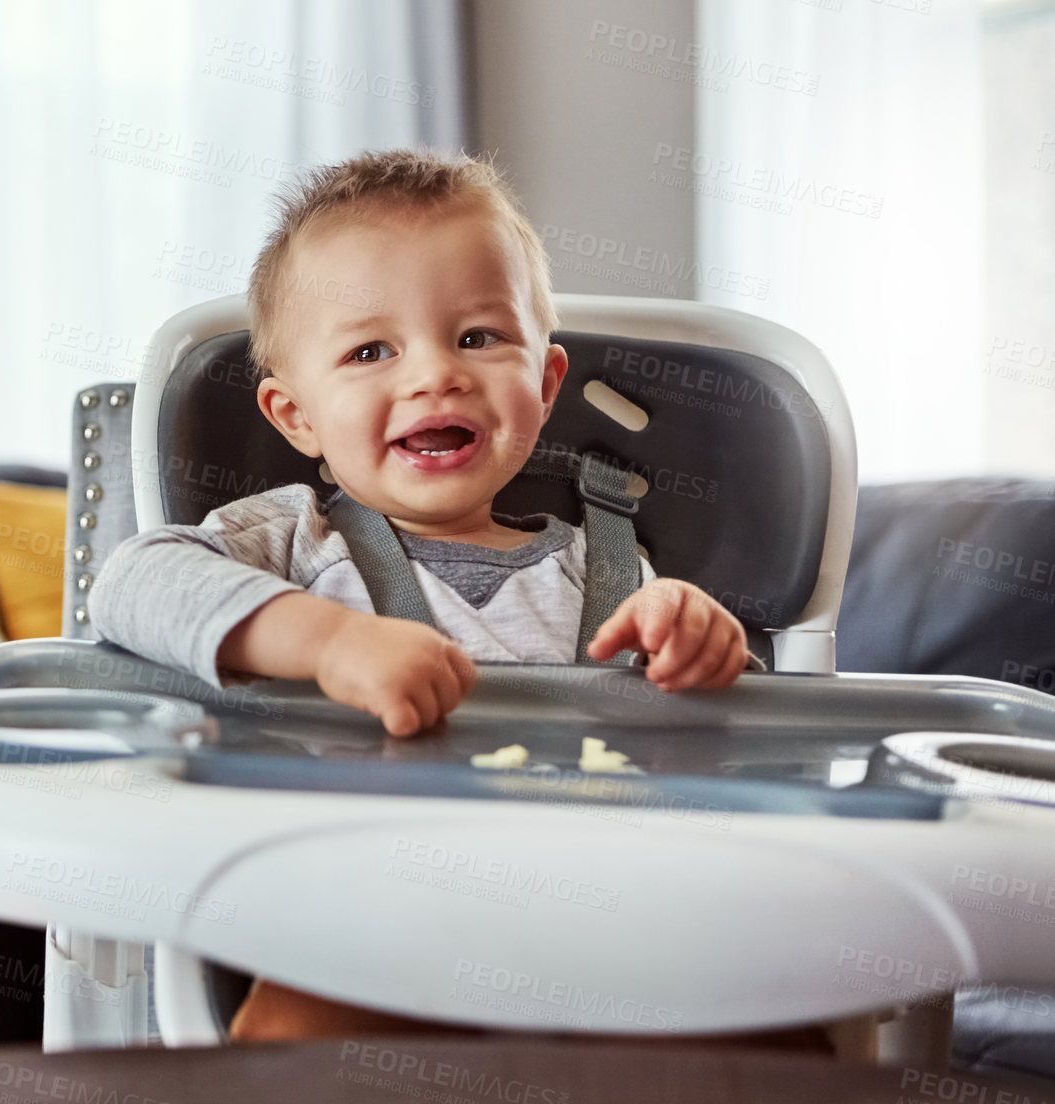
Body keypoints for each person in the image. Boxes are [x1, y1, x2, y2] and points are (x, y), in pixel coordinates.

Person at [86, 147, 827, 1048]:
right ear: (296, 417)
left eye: (478, 336)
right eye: (369, 351)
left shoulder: (614, 570)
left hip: (616, 929)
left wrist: (705, 649)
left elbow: (733, 743)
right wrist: (327, 644)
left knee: (780, 1014)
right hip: (366, 920)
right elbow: (132, 582)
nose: (435, 374)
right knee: (300, 1025)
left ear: (544, 385)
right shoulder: (290, 541)